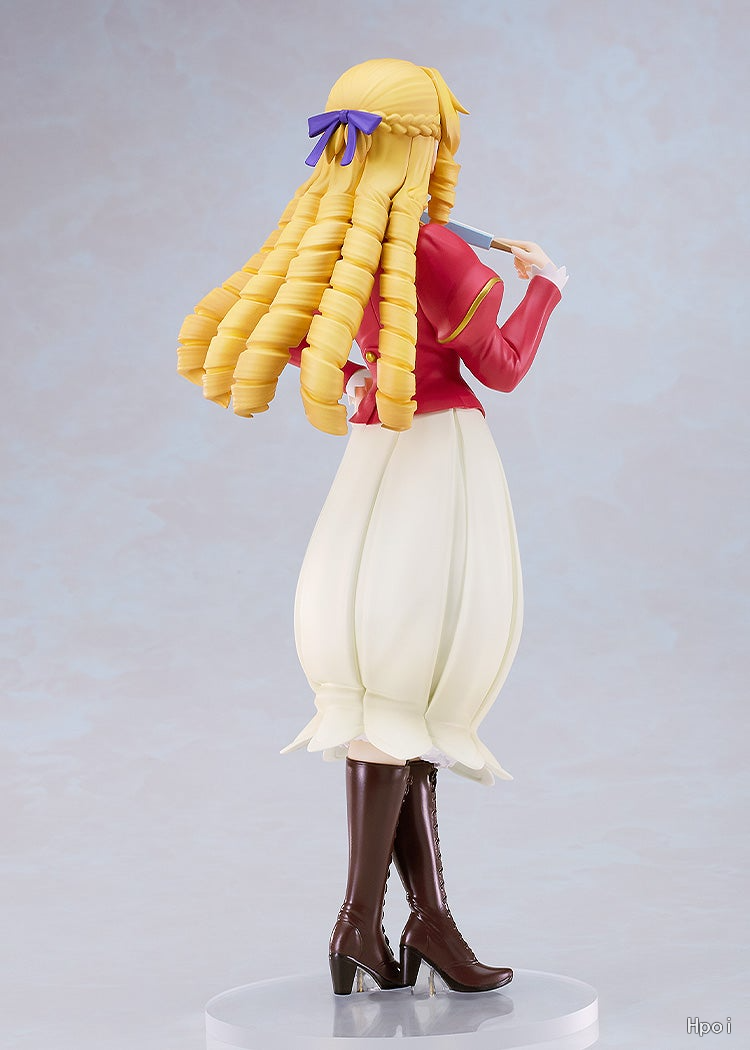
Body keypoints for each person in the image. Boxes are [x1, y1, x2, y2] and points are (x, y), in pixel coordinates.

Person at [177, 58, 568, 996]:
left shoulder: (337, 236)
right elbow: (503, 365)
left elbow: (318, 337)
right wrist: (548, 286)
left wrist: (360, 372)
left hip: (374, 460)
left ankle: (418, 924)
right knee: (399, 690)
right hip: (434, 459)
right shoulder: (433, 251)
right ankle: (365, 920)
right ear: (424, 146)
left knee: (393, 696)